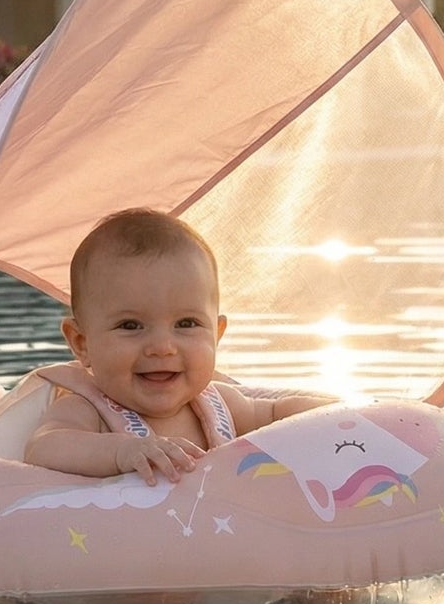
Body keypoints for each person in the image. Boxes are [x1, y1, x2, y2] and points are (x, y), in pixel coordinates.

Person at [24, 207, 333, 483]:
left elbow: (279, 413)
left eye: (186, 324)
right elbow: (45, 446)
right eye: (130, 326)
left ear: (216, 334)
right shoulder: (88, 410)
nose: (162, 347)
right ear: (82, 344)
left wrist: (347, 416)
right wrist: (123, 452)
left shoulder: (222, 405)